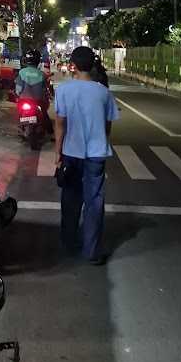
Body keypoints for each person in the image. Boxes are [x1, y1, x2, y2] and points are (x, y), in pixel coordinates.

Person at [54, 46, 119, 264]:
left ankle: (68, 243)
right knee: (94, 202)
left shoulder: (64, 90)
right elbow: (107, 125)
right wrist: (101, 140)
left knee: (71, 198)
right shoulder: (103, 92)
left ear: (73, 64)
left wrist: (58, 153)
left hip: (71, 153)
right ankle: (91, 251)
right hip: (96, 154)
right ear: (92, 65)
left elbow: (60, 125)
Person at [15, 49, 54, 135]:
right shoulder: (41, 74)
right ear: (38, 61)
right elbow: (45, 89)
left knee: (19, 111)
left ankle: (21, 126)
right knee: (44, 114)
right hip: (38, 101)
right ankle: (51, 132)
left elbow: (18, 89)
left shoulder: (22, 72)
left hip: (23, 100)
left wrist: (18, 94)